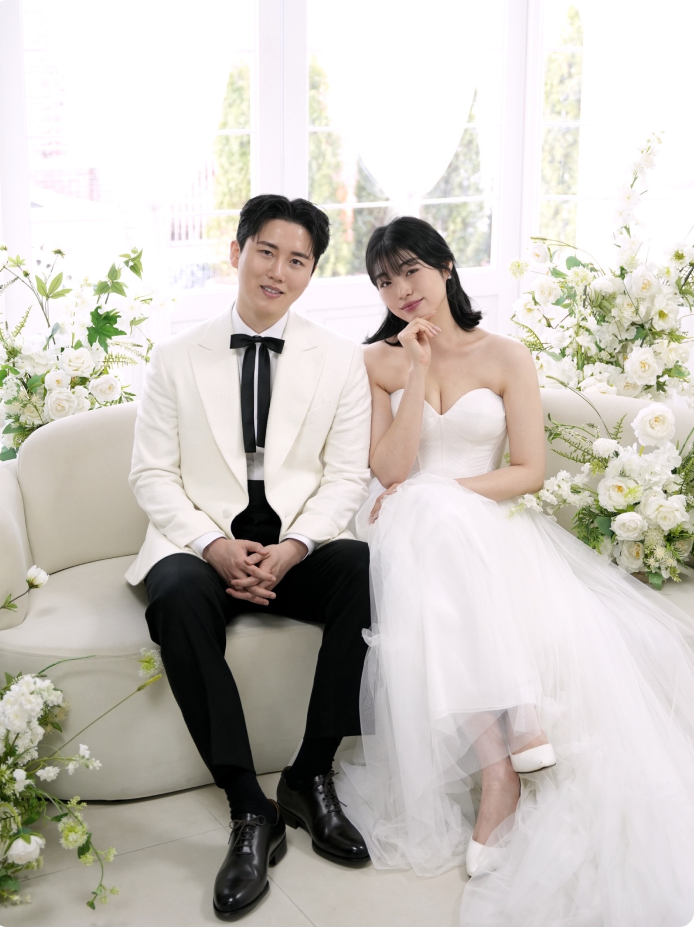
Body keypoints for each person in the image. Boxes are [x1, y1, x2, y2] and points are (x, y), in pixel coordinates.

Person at [336, 216, 694, 925]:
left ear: (445, 266)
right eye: (383, 280)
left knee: (437, 531)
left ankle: (505, 762)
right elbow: (392, 471)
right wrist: (417, 369)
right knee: (425, 525)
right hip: (404, 523)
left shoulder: (506, 355)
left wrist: (443, 498)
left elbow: (528, 471)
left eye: (410, 270)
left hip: (480, 515)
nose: (400, 289)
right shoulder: (377, 361)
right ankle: (508, 752)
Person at [125, 194, 373, 920]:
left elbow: (346, 476)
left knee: (362, 568)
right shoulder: (175, 357)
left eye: (298, 260)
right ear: (237, 253)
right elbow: (151, 475)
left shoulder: (340, 360)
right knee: (175, 592)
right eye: (266, 251)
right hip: (203, 545)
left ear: (311, 272)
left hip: (293, 546)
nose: (278, 271)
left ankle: (310, 775)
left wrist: (294, 547)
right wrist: (214, 545)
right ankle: (248, 806)